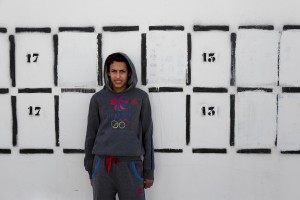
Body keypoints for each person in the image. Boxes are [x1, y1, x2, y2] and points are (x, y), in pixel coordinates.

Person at [84, 52, 154, 200]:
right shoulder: (98, 99)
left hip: (131, 166)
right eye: (113, 71)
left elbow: (147, 135)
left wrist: (148, 171)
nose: (117, 76)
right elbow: (91, 135)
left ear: (129, 73)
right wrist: (91, 169)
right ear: (108, 73)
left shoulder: (141, 98)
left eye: (122, 71)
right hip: (102, 167)